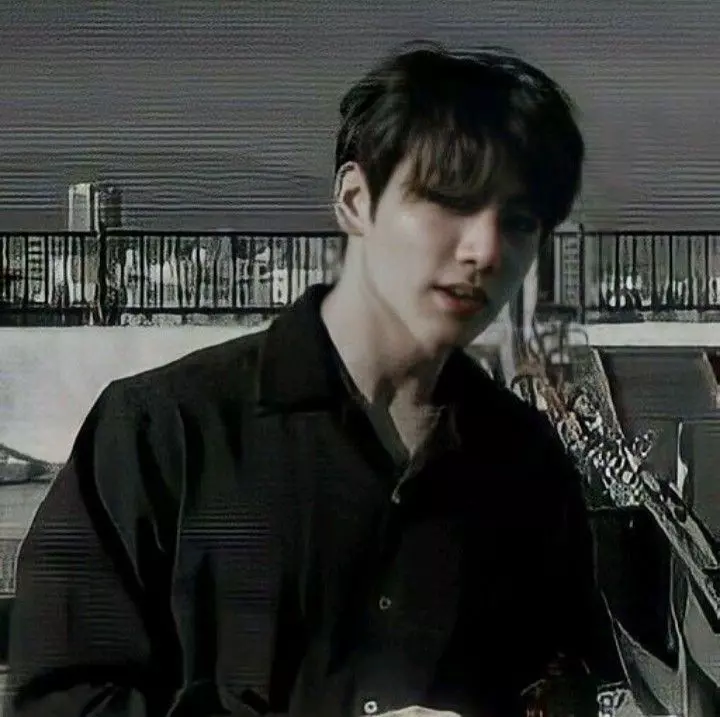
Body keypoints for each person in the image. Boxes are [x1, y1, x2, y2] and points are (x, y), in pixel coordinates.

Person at [6, 41, 626, 717]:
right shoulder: (162, 435)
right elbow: (60, 702)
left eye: (520, 220)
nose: (484, 249)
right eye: (449, 200)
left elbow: (567, 680)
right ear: (356, 200)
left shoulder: (526, 463)